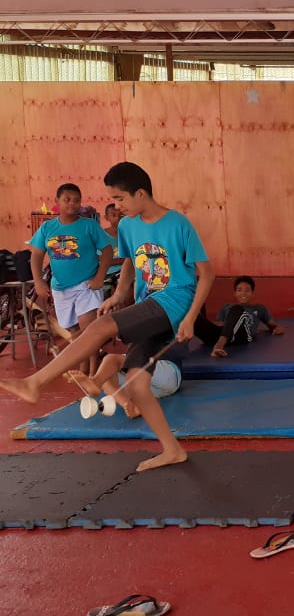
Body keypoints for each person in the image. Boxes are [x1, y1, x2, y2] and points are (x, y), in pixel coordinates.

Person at [0, 161, 214, 472]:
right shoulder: (128, 226)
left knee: (100, 327)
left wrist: (192, 316)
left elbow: (207, 273)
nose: (116, 206)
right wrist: (116, 295)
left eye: (119, 199)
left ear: (140, 193)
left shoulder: (178, 224)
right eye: (113, 199)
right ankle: (172, 450)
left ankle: (35, 382)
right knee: (138, 385)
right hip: (150, 303)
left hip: (175, 300)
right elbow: (129, 263)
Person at [27, 183, 113, 367]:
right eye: (67, 200)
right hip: (60, 287)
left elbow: (107, 252)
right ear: (57, 201)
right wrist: (38, 281)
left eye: (76, 200)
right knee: (72, 329)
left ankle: (91, 369)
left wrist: (99, 277)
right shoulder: (47, 228)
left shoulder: (89, 226)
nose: (72, 204)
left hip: (86, 285)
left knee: (88, 329)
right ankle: (84, 362)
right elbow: (36, 256)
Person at [65, 351, 182, 418]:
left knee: (112, 359)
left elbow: (113, 360)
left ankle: (96, 381)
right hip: (152, 390)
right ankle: (130, 405)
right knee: (106, 380)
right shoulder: (113, 383)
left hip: (169, 372)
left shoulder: (123, 358)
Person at [194, 275, 284, 357]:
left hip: (243, 336)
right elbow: (221, 326)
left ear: (252, 293)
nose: (243, 293)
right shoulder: (226, 307)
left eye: (247, 290)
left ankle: (219, 345)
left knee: (236, 308)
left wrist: (277, 328)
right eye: (239, 290)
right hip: (225, 335)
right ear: (235, 293)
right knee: (194, 318)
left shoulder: (259, 308)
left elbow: (273, 326)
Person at [101, 202, 125, 297]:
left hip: (123, 271)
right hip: (106, 272)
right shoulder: (101, 235)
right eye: (113, 215)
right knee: (104, 296)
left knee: (125, 295)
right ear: (106, 217)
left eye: (120, 215)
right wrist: (121, 260)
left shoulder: (127, 235)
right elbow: (100, 259)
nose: (117, 218)